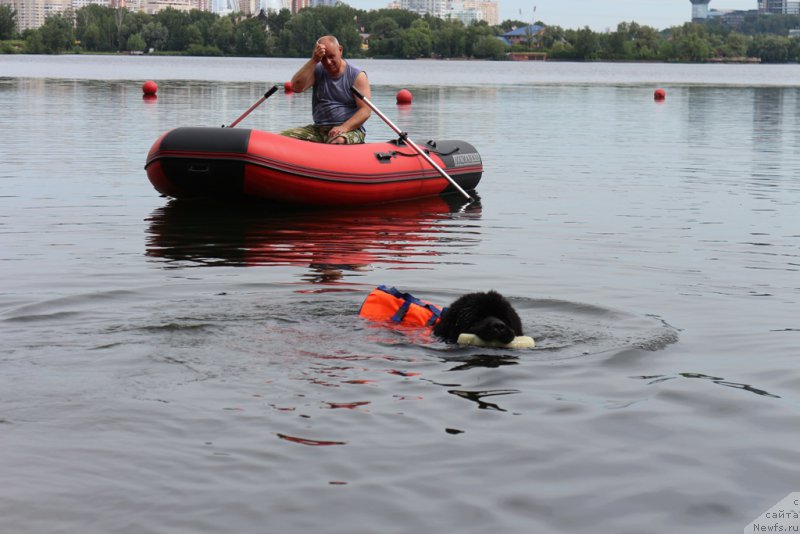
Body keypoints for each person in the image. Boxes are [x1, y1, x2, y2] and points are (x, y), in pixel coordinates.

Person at [281, 35, 371, 145]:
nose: (328, 62)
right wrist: (314, 60)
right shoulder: (317, 69)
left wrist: (344, 127)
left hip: (350, 129)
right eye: (323, 58)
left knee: (338, 141)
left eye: (332, 56)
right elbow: (295, 87)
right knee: (280, 139)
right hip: (319, 129)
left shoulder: (357, 75)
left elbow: (365, 111)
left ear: (340, 50)